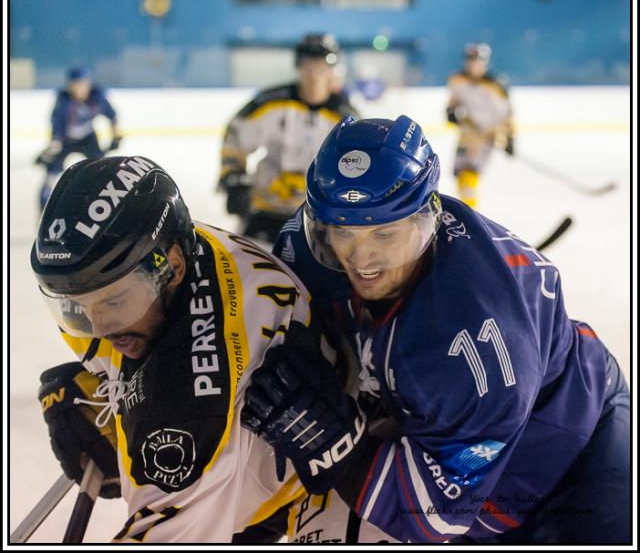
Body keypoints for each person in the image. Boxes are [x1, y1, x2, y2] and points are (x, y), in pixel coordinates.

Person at [241, 115, 630, 544]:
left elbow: (435, 516)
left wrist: (336, 448)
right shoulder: (305, 250)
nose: (362, 259)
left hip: (576, 448)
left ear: (428, 218)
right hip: (450, 430)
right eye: (344, 233)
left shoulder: (474, 338)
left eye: (385, 235)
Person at [30, 155, 319, 542]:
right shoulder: (162, 251)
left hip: (300, 496)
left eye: (114, 303)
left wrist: (133, 408)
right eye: (76, 306)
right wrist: (111, 387)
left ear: (173, 266)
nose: (96, 327)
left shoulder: (188, 404)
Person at [218, 33, 358, 244]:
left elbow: (357, 163)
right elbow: (235, 137)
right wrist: (234, 178)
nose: (313, 75)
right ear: (298, 66)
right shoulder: (270, 102)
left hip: (317, 217)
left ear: (333, 69)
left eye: (320, 66)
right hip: (264, 210)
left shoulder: (345, 117)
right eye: (307, 65)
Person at [35, 66, 122, 211]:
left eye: (82, 83)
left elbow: (112, 116)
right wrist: (50, 152)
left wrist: (115, 136)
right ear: (70, 85)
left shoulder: (97, 96)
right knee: (50, 177)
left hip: (88, 138)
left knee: (102, 169)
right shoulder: (64, 102)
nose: (79, 88)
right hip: (65, 141)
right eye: (75, 84)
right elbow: (57, 129)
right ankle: (43, 211)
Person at [446, 43, 515, 208]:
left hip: (486, 135)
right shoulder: (458, 79)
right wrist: (450, 110)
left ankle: (470, 211)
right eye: (470, 59)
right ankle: (465, 206)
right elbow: (455, 99)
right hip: (468, 133)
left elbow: (507, 113)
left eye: (478, 60)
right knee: (458, 172)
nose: (473, 63)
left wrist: (510, 137)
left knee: (471, 171)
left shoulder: (494, 85)